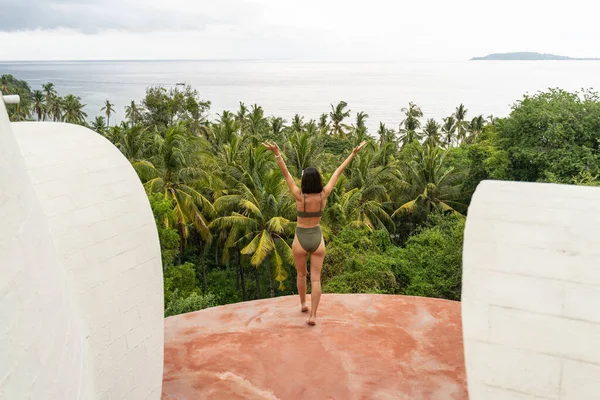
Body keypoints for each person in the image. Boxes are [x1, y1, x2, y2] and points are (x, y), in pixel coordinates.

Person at [263, 140, 367, 325]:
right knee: (316, 279)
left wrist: (277, 153)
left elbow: (285, 173)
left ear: (304, 181)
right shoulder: (323, 195)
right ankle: (313, 315)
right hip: (317, 239)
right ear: (318, 180)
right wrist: (352, 154)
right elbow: (337, 172)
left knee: (301, 275)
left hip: (300, 238)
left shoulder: (298, 195)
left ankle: (303, 304)